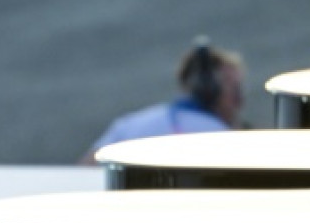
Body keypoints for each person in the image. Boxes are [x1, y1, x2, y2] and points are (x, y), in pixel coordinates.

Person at [81, 39, 245, 161]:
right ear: (211, 90)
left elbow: (84, 170)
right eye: (234, 89)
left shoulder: (131, 124)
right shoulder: (222, 138)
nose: (239, 101)